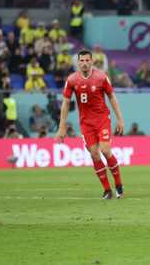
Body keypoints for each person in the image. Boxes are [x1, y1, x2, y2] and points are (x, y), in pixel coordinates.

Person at [56, 50, 125, 199]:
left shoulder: (101, 77)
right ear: (78, 62)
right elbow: (66, 103)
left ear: (92, 61)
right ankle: (107, 190)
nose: (85, 63)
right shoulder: (72, 80)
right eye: (82, 60)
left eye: (88, 60)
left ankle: (118, 184)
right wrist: (62, 125)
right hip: (86, 123)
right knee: (94, 154)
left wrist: (120, 119)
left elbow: (112, 97)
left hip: (102, 119)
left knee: (106, 150)